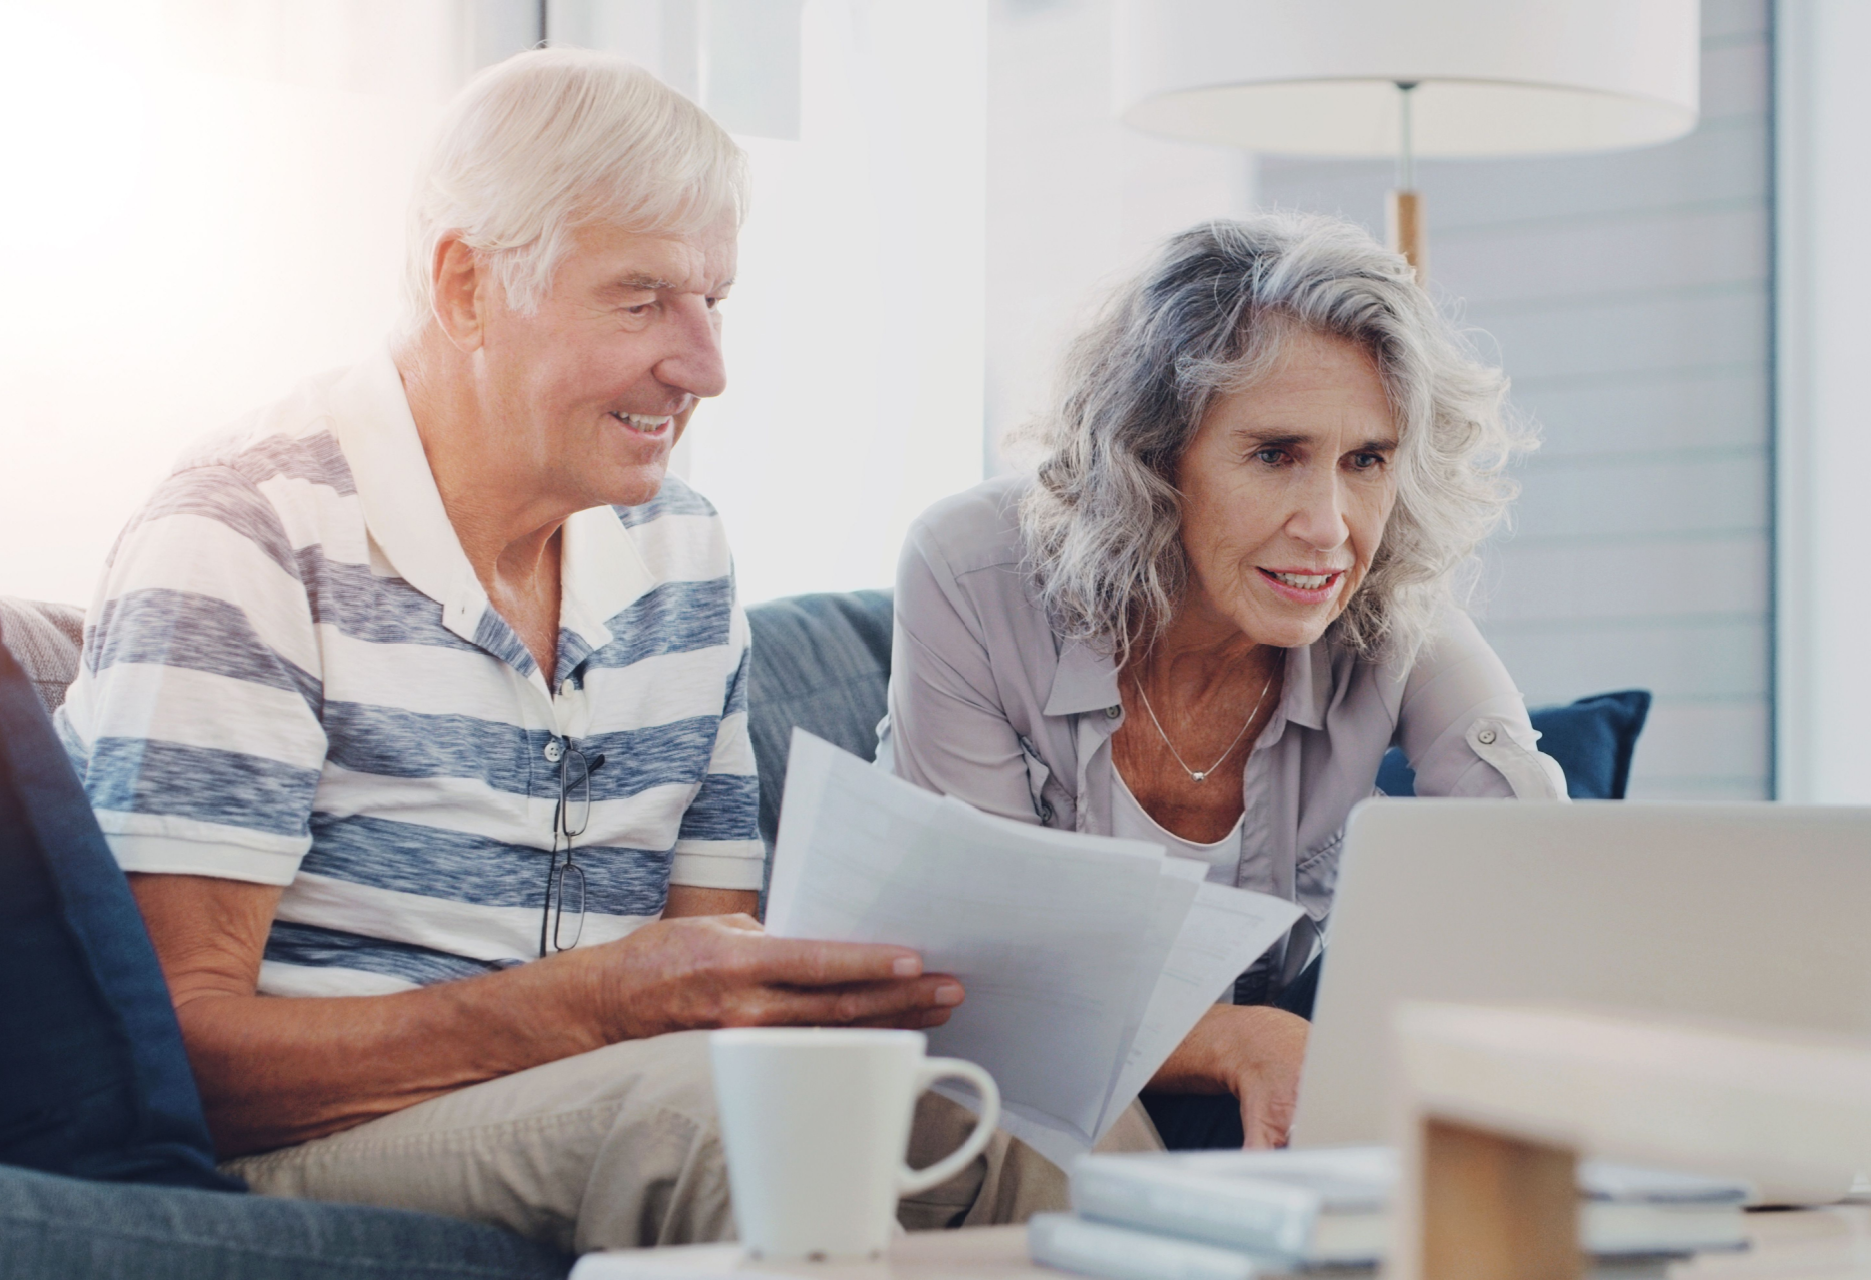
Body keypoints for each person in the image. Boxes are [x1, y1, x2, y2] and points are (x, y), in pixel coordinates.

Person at [53, 49, 1093, 1257]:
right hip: (305, 1140)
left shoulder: (680, 551)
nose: (705, 367)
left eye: (715, 302)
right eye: (642, 298)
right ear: (465, 286)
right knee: (714, 1122)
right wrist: (602, 1003)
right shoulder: (244, 536)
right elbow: (178, 1055)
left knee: (1055, 1128)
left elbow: (721, 975)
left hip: (613, 1093)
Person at [881, 212, 1567, 1153]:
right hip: (1002, 1072)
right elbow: (984, 978)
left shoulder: (1385, 594)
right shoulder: (971, 570)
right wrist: (1237, 1040)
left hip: (1274, 1083)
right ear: (1154, 459)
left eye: (1366, 461)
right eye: (1275, 455)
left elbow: (1542, 866)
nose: (1329, 526)